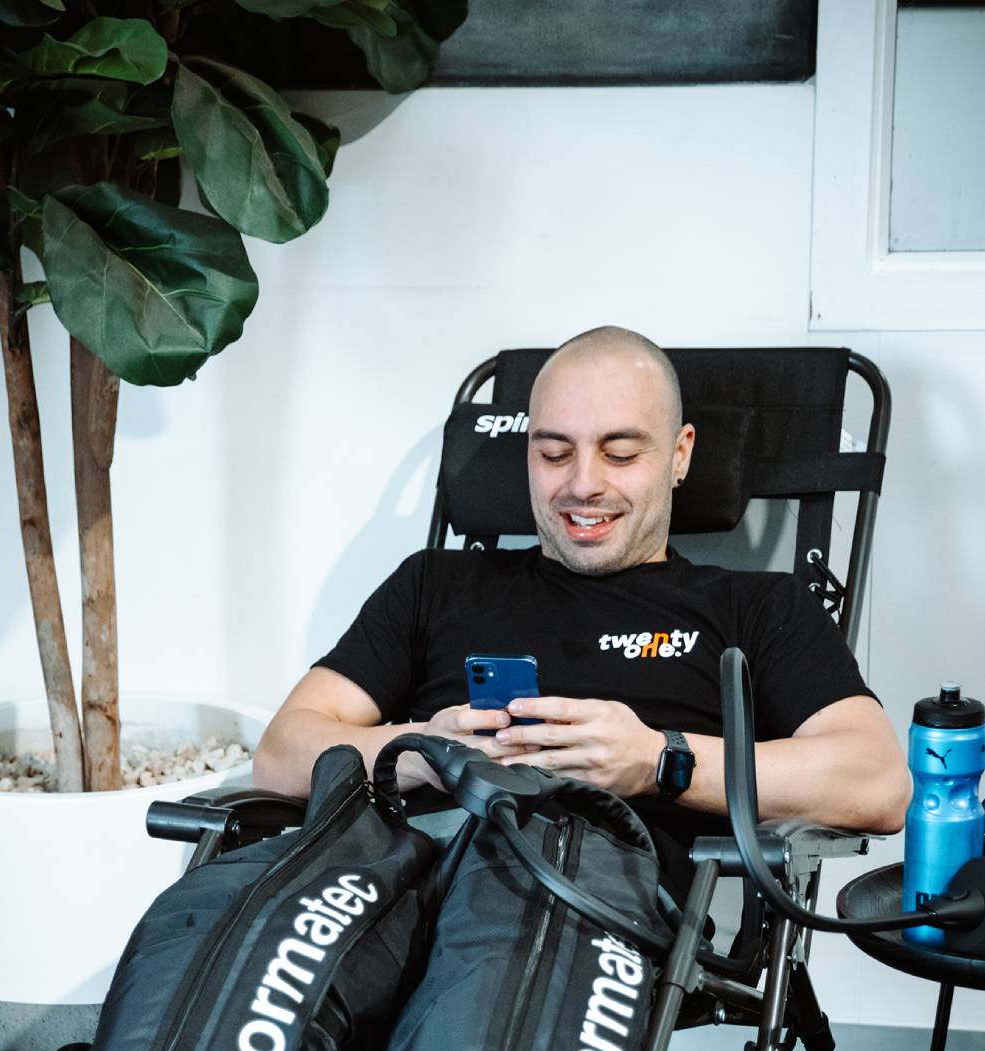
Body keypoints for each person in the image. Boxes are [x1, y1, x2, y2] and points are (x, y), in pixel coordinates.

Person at [254, 326, 911, 852]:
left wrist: (659, 760)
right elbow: (281, 754)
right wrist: (426, 751)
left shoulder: (756, 609)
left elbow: (879, 782)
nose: (583, 484)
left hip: (580, 905)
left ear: (680, 455)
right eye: (554, 452)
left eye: (621, 453)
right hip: (392, 885)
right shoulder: (435, 583)